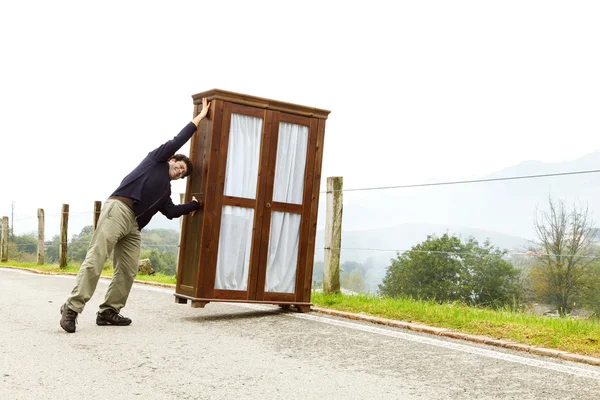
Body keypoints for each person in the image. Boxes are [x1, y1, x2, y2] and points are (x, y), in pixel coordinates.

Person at [59, 98, 211, 333]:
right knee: (97, 258)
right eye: (180, 166)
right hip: (118, 210)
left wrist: (194, 205)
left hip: (134, 227)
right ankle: (72, 308)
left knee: (129, 269)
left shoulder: (165, 192)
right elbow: (177, 140)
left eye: (184, 174)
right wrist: (199, 118)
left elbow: (170, 212)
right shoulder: (156, 160)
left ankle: (109, 311)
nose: (181, 172)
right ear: (172, 159)